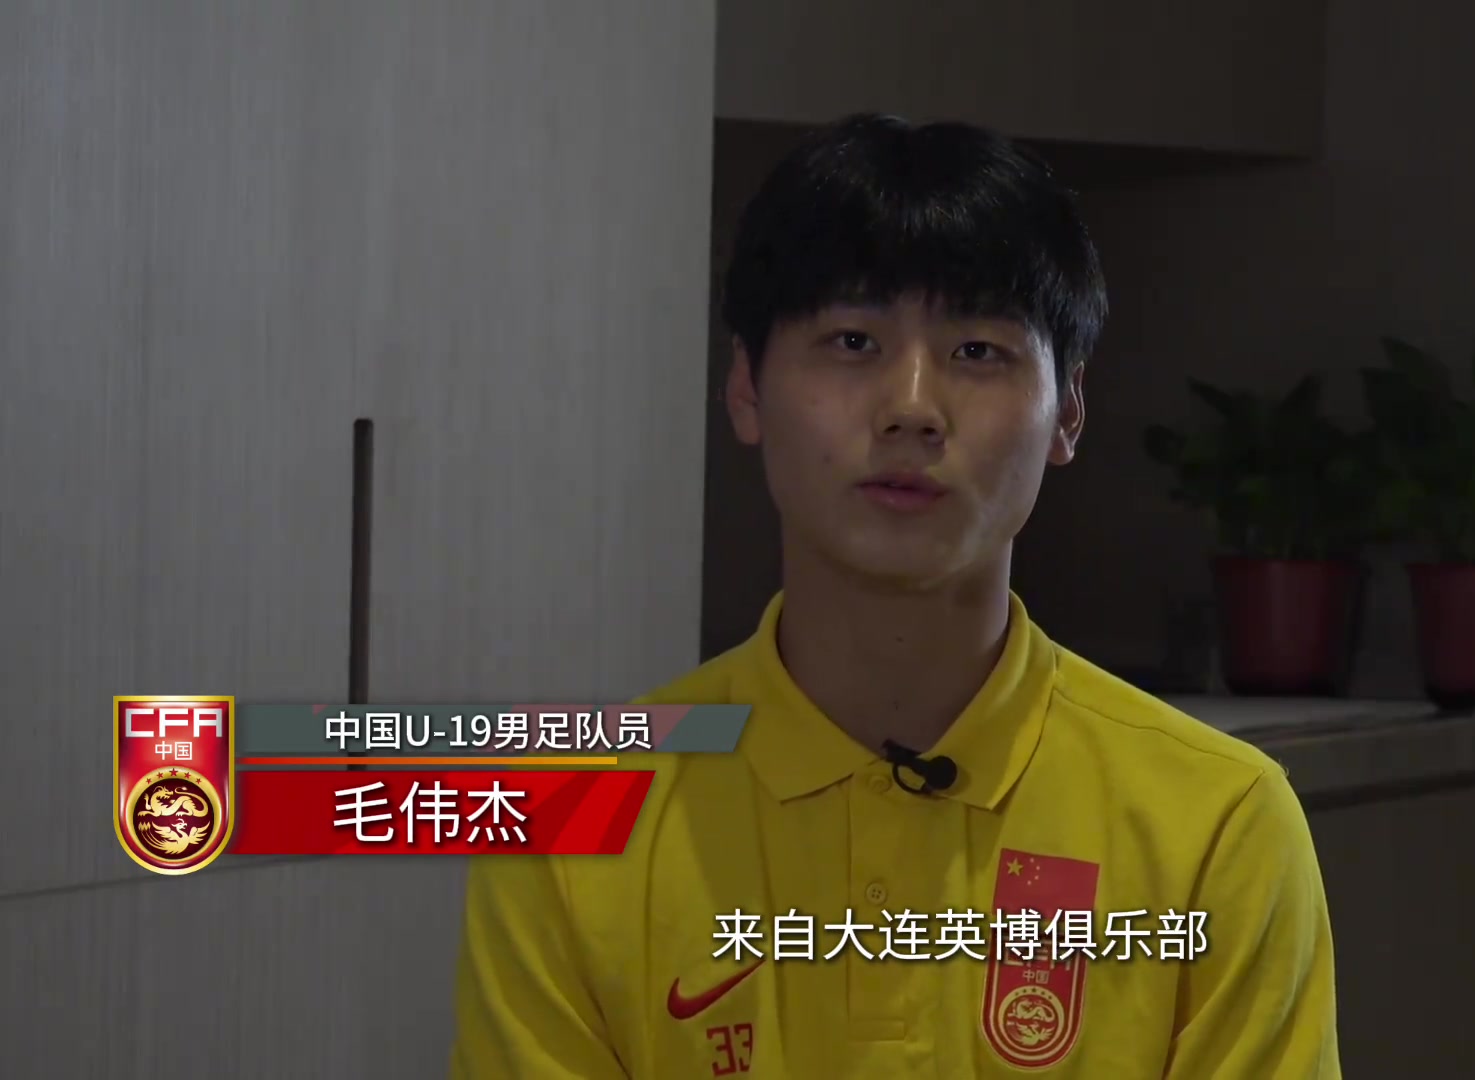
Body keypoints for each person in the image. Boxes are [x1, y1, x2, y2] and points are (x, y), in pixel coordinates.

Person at [449, 113, 1340, 1079]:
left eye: (977, 351)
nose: (912, 407)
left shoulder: (1216, 824)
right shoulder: (571, 826)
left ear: (1068, 410)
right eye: (853, 340)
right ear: (746, 386)